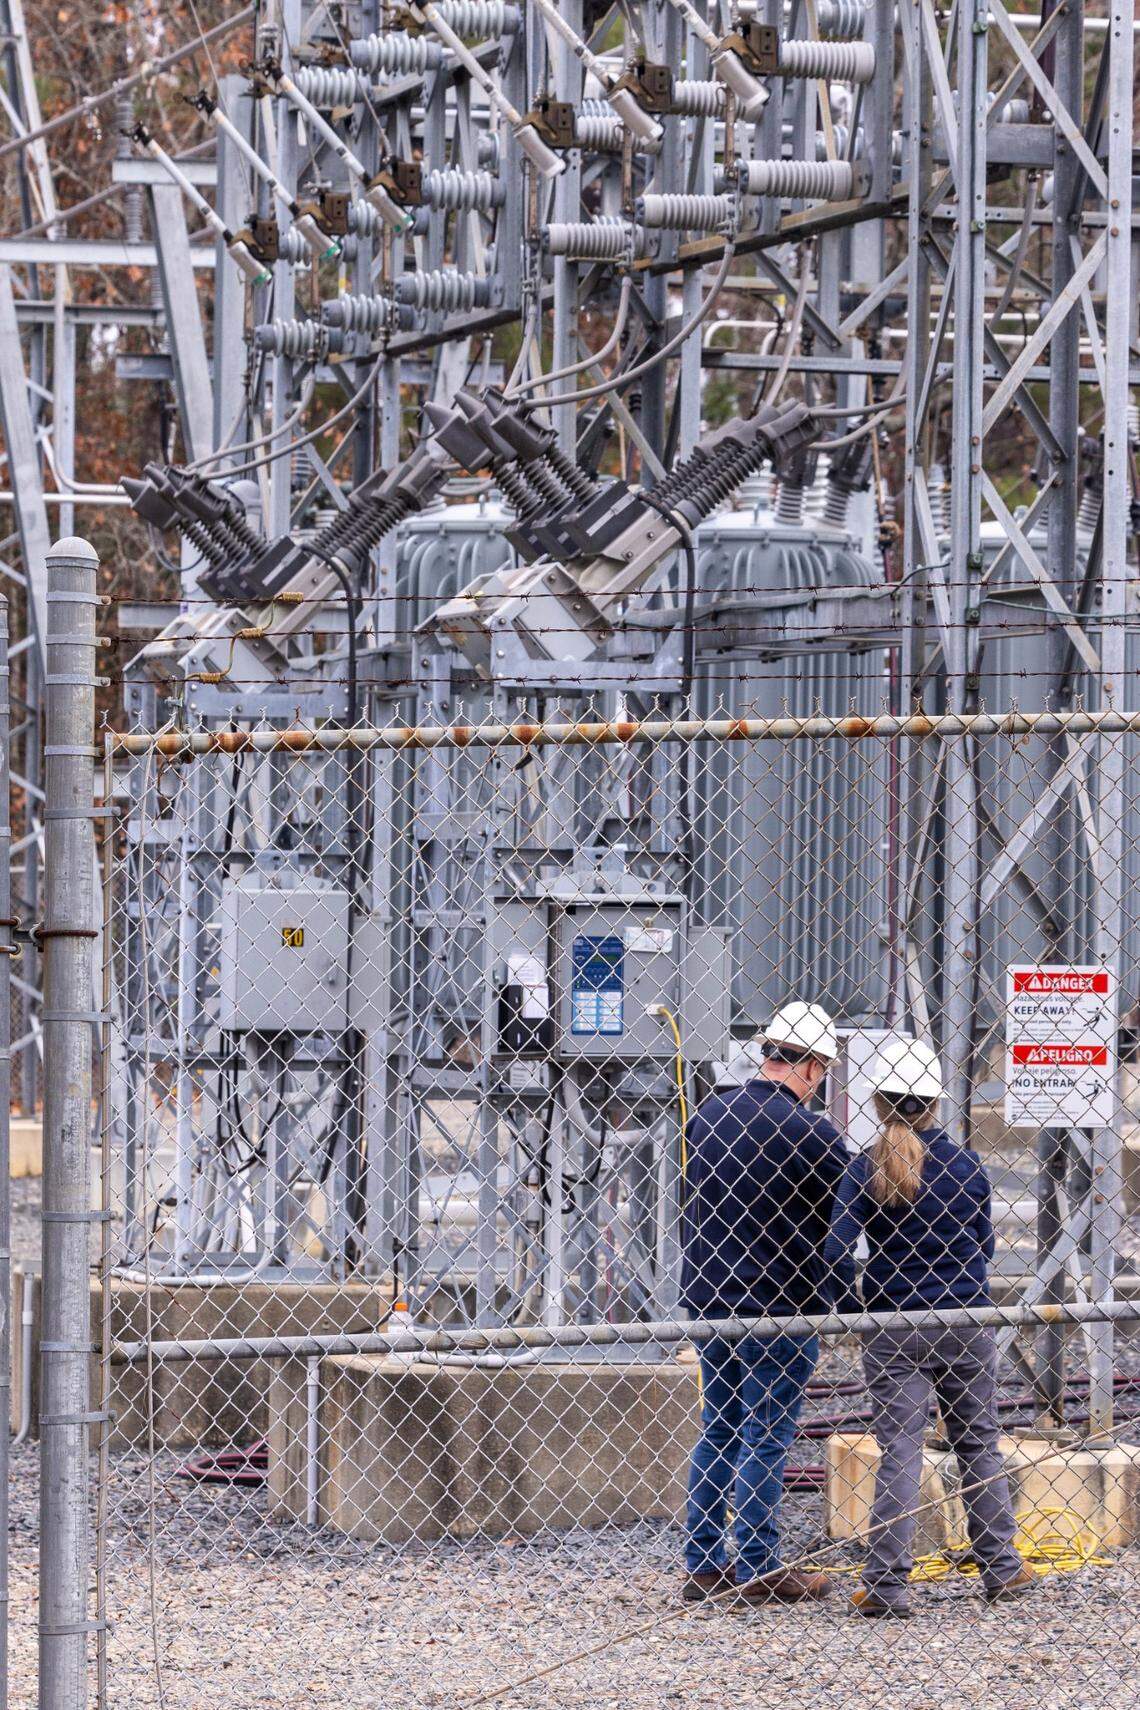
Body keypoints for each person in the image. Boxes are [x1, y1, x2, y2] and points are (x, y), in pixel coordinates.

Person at [823, 1037, 1034, 1617]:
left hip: (895, 1323)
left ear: (876, 1103)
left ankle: (887, 1586)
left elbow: (839, 1248)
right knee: (979, 1442)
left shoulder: (865, 1167)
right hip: (966, 1319)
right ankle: (1002, 1566)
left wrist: (854, 1306)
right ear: (937, 1104)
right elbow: (986, 1246)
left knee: (901, 1452)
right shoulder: (967, 1167)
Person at [680, 1000, 848, 1605]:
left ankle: (703, 1563)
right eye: (823, 1069)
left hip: (708, 1294)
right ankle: (757, 1564)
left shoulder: (711, 1113)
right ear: (808, 1066)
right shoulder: (811, 1132)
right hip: (780, 1302)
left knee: (719, 1427)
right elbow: (851, 1212)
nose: (821, 1082)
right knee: (767, 1432)